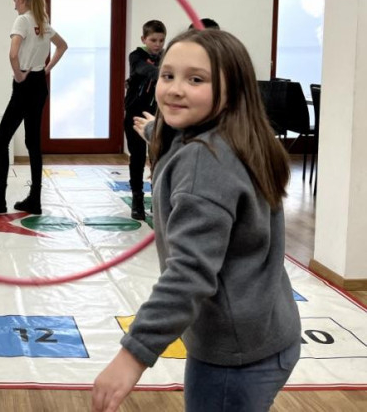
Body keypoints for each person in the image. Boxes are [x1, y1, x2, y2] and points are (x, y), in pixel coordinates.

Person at [92, 29, 301, 412]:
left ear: (231, 90)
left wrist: (132, 355)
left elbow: (189, 274)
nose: (175, 89)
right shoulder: (239, 137)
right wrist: (155, 129)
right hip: (269, 332)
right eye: (168, 75)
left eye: (196, 80)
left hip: (234, 358)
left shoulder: (204, 163)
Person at [0, 0, 67, 216]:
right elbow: (62, 46)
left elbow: (13, 54)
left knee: (0, 141)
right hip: (39, 85)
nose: (14, 4)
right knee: (33, 142)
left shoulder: (23, 20)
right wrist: (46, 69)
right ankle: (35, 198)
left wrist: (18, 75)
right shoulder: (43, 21)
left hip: (25, 86)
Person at [123, 20, 166, 221]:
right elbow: (143, 69)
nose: (157, 44)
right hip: (135, 114)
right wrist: (166, 74)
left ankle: (158, 198)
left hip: (159, 115)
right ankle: (137, 198)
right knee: (138, 157)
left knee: (158, 157)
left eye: (161, 40)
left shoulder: (167, 56)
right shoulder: (136, 56)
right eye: (153, 40)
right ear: (144, 39)